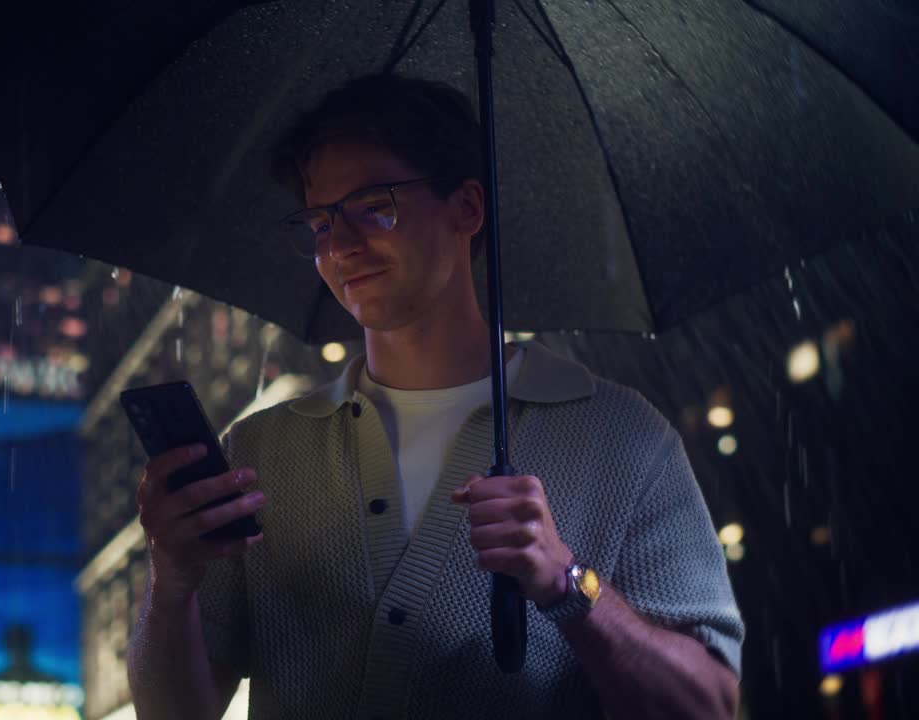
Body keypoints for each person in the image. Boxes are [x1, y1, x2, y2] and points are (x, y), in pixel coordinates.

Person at [127, 74, 744, 719]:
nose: (339, 245)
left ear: (467, 210)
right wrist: (171, 583)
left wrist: (568, 584)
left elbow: (709, 705)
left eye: (375, 206)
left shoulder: (622, 438)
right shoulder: (260, 451)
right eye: (319, 221)